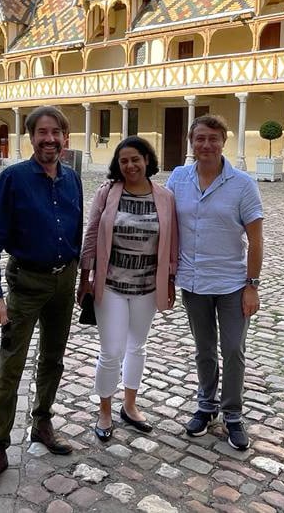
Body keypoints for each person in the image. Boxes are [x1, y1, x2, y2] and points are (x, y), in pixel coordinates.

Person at [0, 105, 83, 495]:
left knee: (53, 359)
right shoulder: (13, 179)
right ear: (31, 137)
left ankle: (42, 422)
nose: (49, 139)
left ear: (65, 138)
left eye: (56, 133)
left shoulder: (72, 178)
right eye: (42, 133)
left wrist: (81, 281)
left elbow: (76, 230)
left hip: (63, 282)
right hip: (26, 283)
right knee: (11, 367)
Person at [165, 114, 264, 451]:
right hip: (193, 282)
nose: (206, 145)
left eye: (213, 138)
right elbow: (163, 220)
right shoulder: (178, 178)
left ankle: (233, 414)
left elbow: (256, 239)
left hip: (233, 283)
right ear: (192, 142)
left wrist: (252, 284)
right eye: (200, 139)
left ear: (224, 141)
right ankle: (207, 406)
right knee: (204, 350)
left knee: (233, 349)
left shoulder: (242, 184)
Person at [77, 136, 178, 441]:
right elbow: (92, 233)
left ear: (147, 160)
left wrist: (170, 279)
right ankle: (105, 411)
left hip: (147, 286)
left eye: (136, 159)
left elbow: (172, 241)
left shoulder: (165, 197)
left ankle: (130, 405)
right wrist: (85, 278)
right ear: (117, 165)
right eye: (124, 161)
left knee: (138, 346)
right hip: (111, 286)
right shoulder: (108, 193)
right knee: (111, 351)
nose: (130, 165)